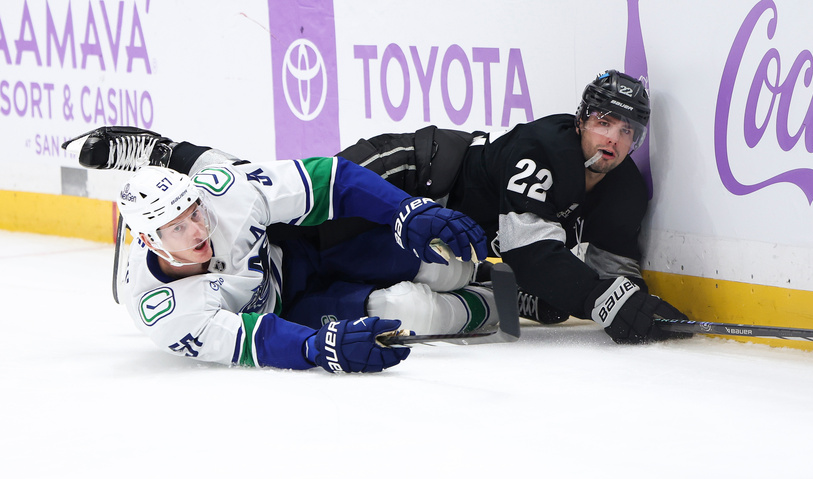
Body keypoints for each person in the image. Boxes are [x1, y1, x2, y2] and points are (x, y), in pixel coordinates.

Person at [66, 69, 688, 347]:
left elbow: (607, 272)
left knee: (245, 194)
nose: (612, 139)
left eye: (628, 131)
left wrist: (626, 300)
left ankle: (153, 148)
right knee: (391, 289)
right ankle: (155, 149)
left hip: (336, 235)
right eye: (603, 122)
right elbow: (535, 251)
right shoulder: (163, 310)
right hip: (409, 173)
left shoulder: (625, 189)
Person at [62, 132, 495, 373]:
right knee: (405, 310)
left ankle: (164, 152)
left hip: (296, 247)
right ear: (148, 241)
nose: (198, 230)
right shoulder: (166, 313)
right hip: (289, 310)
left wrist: (407, 209)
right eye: (177, 227)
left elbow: (333, 179)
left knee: (442, 263)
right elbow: (257, 339)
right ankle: (494, 303)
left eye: (195, 213)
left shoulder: (223, 196)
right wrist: (317, 348)